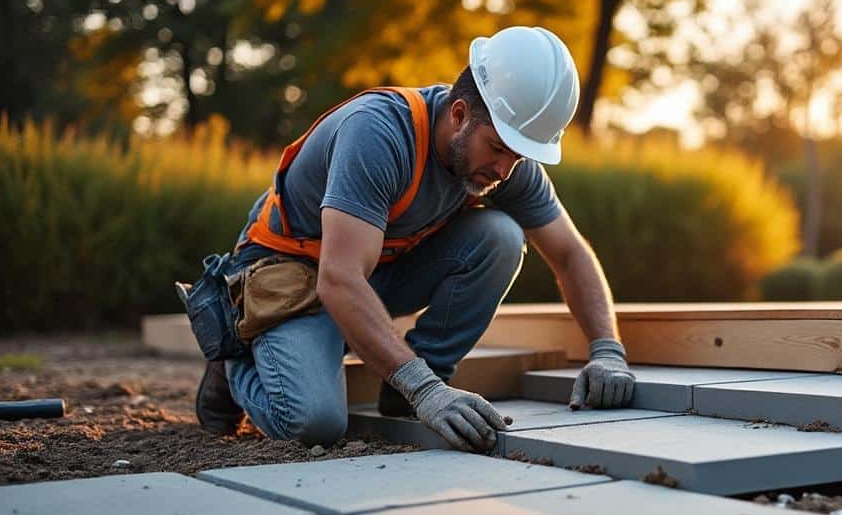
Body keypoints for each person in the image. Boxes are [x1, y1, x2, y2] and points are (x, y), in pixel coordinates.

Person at [194, 25, 636, 453]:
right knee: (314, 422)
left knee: (500, 236)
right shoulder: (378, 134)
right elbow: (339, 279)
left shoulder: (505, 160)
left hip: (365, 274)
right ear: (459, 114)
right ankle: (237, 351)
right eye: (498, 149)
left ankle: (406, 390)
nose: (504, 171)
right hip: (289, 280)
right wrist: (425, 390)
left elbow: (570, 253)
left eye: (519, 157)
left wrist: (607, 351)